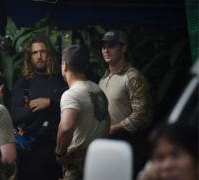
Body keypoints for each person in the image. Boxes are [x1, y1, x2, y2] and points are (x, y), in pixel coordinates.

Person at [10, 34, 67, 180]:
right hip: (30, 150)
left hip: (56, 149)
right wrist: (36, 108)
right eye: (35, 53)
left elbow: (73, 106)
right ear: (30, 56)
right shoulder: (24, 83)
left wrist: (49, 102)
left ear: (49, 54)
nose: (39, 56)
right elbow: (15, 116)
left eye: (43, 51)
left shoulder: (61, 79)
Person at [98, 30, 152, 176]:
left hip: (129, 146)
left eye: (111, 46)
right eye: (103, 46)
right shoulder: (102, 80)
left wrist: (113, 128)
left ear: (123, 48)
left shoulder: (132, 77)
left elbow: (142, 115)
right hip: (107, 146)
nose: (106, 50)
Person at [55, 44, 110, 180]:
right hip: (99, 157)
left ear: (65, 66)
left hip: (77, 162)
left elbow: (66, 127)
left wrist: (60, 153)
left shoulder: (71, 94)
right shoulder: (98, 89)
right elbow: (107, 121)